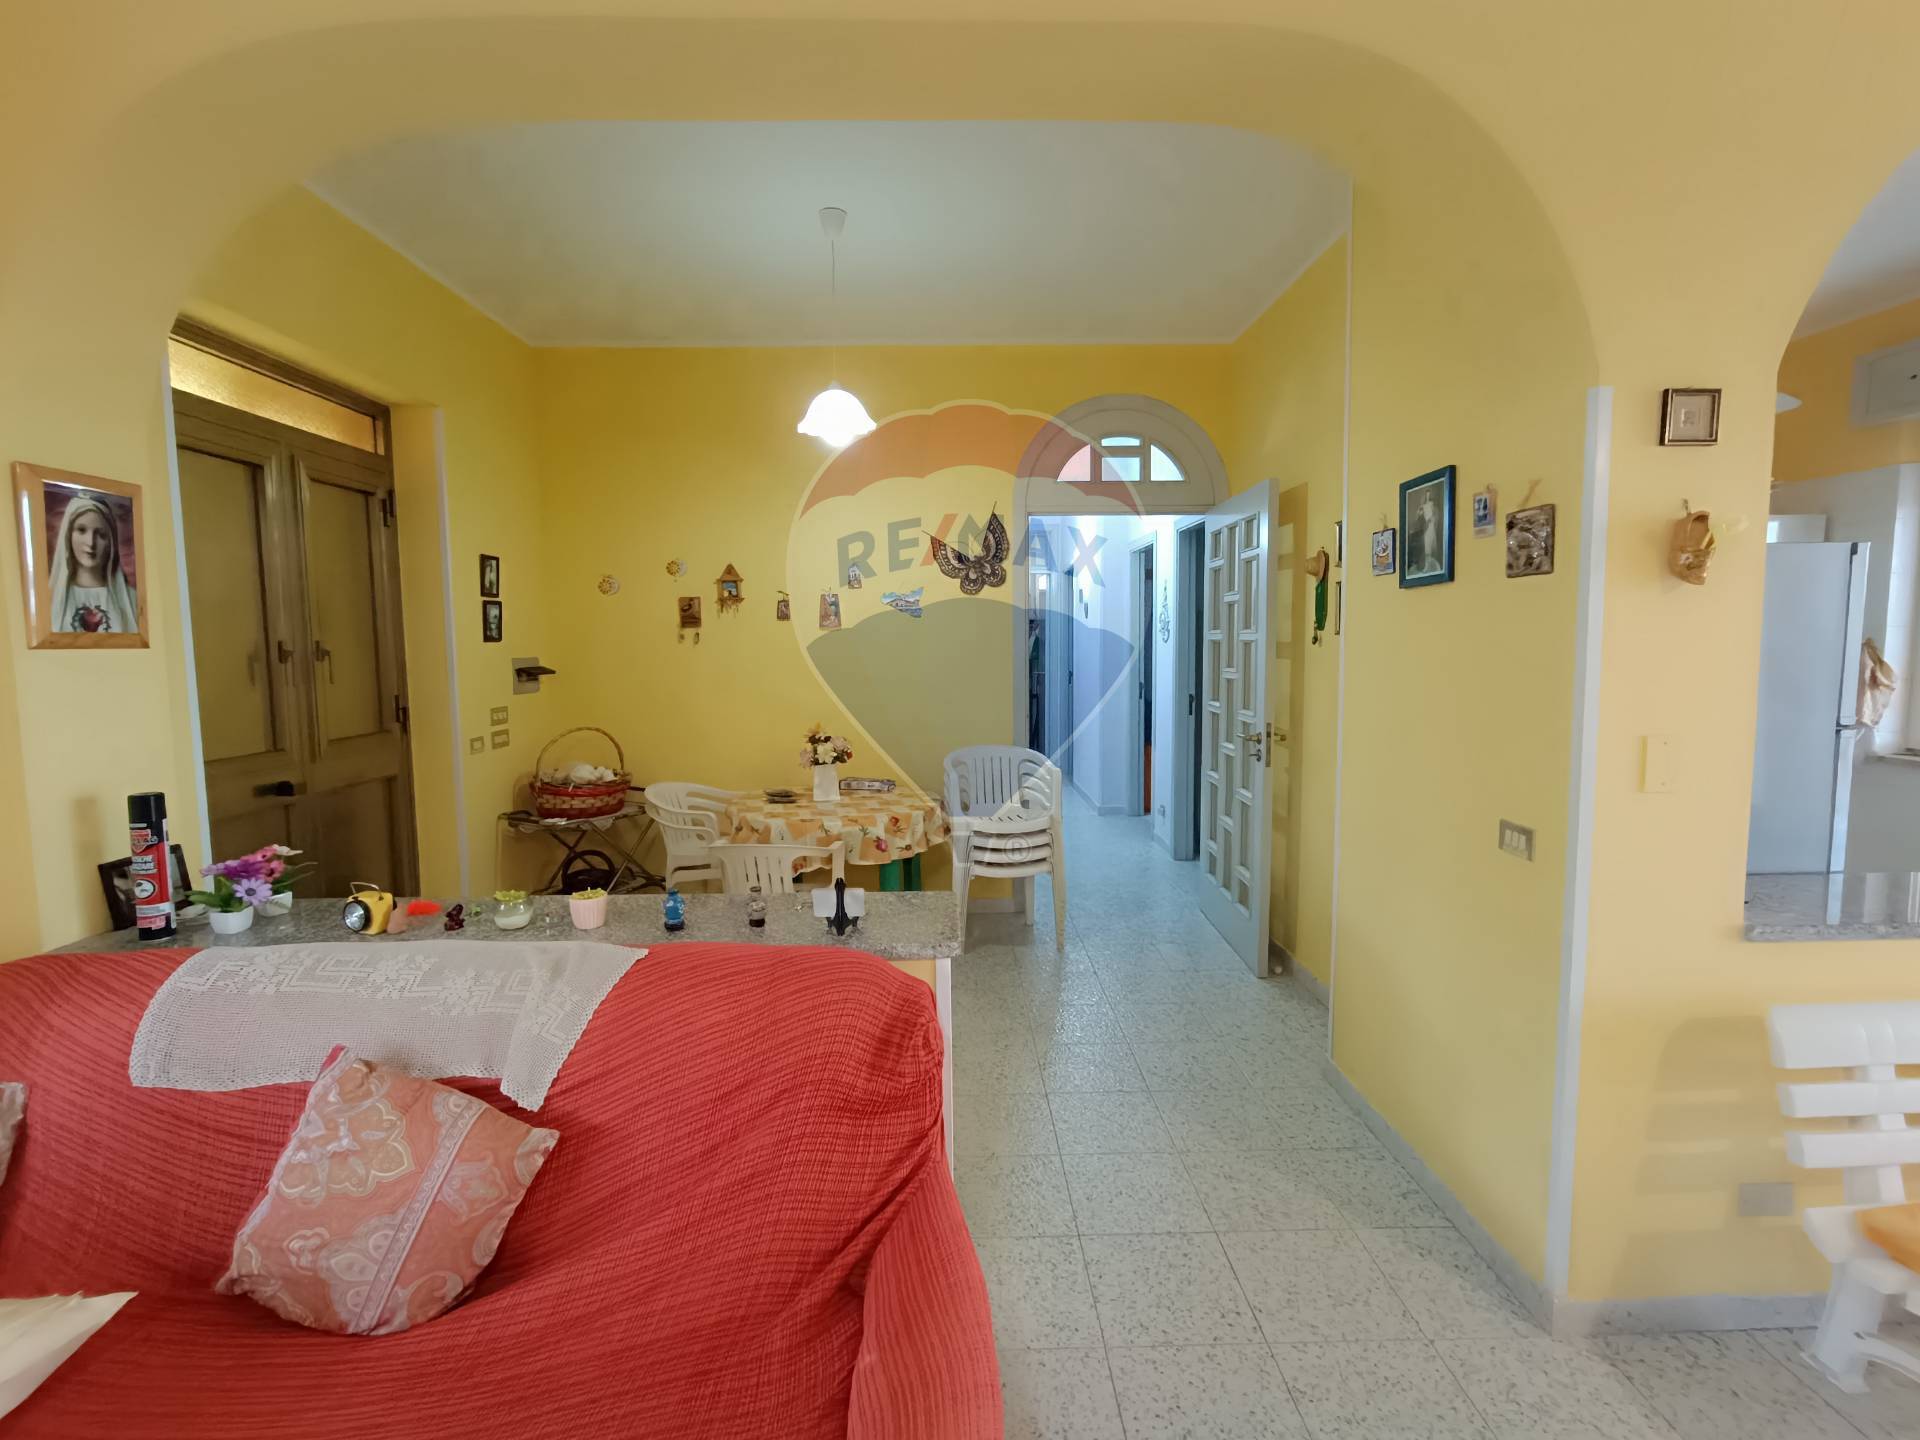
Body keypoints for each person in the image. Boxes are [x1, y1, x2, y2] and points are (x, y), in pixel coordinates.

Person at [50, 491, 138, 634]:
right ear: (68, 536)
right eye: (81, 530)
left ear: (110, 542)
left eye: (101, 534)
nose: (90, 542)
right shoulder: (50, 601)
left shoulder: (132, 600)